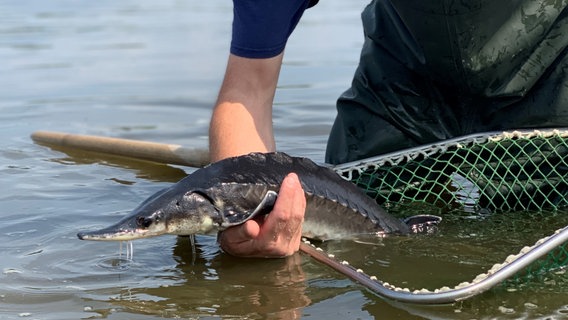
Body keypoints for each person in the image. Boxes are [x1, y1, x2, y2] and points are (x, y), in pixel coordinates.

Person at [209, 0, 568, 257]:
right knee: (376, 235)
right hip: (405, 70)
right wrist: (241, 219)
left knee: (544, 236)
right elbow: (247, 89)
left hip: (550, 63)